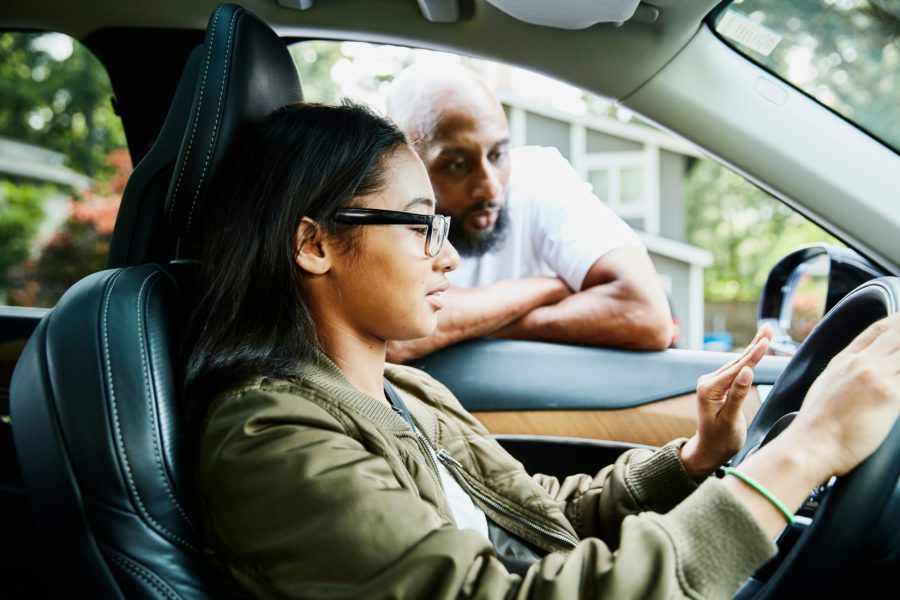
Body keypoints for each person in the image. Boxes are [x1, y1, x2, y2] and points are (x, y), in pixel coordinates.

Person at [185, 101, 900, 599]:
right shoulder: (272, 441)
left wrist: (697, 457)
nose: (448, 260)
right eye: (418, 226)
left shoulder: (407, 391)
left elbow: (538, 518)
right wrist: (802, 454)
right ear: (314, 244)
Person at [384, 65, 673, 362]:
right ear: (405, 164)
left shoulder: (540, 179)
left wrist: (461, 326)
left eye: (497, 155)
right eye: (458, 164)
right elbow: (394, 338)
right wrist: (549, 288)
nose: (491, 187)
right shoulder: (380, 210)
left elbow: (645, 313)